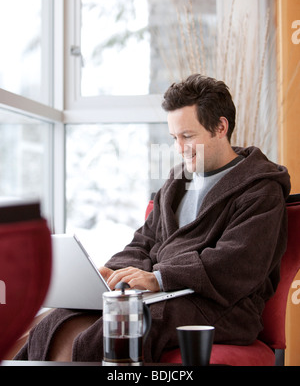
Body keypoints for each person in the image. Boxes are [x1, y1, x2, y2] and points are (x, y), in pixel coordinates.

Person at [15, 74, 290, 363]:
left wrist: (159, 278)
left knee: (124, 325)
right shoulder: (176, 184)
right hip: (168, 293)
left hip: (222, 305)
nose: (179, 148)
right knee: (58, 320)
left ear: (220, 127)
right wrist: (113, 272)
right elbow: (144, 241)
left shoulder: (261, 189)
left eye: (188, 136)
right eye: (174, 138)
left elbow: (238, 264)